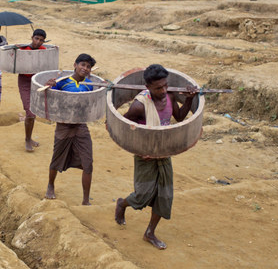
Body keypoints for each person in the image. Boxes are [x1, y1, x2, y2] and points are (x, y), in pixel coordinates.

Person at [114, 64, 198, 250]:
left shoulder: (169, 96)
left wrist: (190, 100)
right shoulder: (139, 106)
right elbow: (125, 128)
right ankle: (122, 203)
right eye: (158, 87)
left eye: (165, 85)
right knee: (142, 195)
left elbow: (180, 117)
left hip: (163, 153)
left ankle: (150, 232)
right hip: (145, 156)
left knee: (164, 196)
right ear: (148, 87)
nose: (163, 90)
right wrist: (140, 149)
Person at [44, 53, 96, 205]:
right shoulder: (63, 82)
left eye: (88, 67)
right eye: (83, 65)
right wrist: (50, 84)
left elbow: (93, 102)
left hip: (80, 125)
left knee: (88, 162)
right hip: (64, 125)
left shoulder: (89, 85)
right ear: (75, 64)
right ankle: (50, 185)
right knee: (56, 158)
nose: (85, 69)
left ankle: (86, 200)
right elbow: (50, 93)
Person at [18, 29, 47, 152]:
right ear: (32, 37)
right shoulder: (23, 50)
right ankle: (27, 140)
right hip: (24, 81)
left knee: (33, 112)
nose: (38, 42)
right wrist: (15, 49)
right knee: (29, 112)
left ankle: (29, 137)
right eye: (36, 38)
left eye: (41, 40)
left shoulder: (44, 50)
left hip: (37, 82)